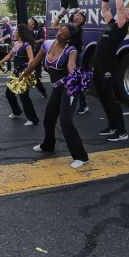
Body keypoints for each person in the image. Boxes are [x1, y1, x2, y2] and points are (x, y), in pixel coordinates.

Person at [26, 23, 89, 168]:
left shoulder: (71, 50)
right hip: (57, 89)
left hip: (69, 88)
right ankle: (48, 145)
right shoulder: (47, 44)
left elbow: (71, 66)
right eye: (60, 30)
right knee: (48, 119)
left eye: (64, 34)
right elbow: (35, 62)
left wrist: (76, 77)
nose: (60, 34)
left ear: (68, 39)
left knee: (66, 121)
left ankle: (81, 156)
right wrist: (22, 76)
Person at [93, 0, 129, 141]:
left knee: (111, 99)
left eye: (126, 11)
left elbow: (119, 7)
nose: (123, 11)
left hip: (108, 66)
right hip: (98, 64)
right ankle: (112, 126)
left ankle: (122, 131)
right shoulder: (111, 23)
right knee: (102, 97)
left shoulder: (123, 26)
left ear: (128, 17)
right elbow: (104, 8)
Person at [1, 25, 41, 126]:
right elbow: (9, 56)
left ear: (21, 33)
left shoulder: (27, 45)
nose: (14, 32)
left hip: (24, 72)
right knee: (9, 93)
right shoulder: (15, 43)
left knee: (24, 96)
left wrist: (25, 73)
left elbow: (31, 59)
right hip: (15, 73)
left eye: (16, 31)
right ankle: (16, 112)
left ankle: (33, 119)